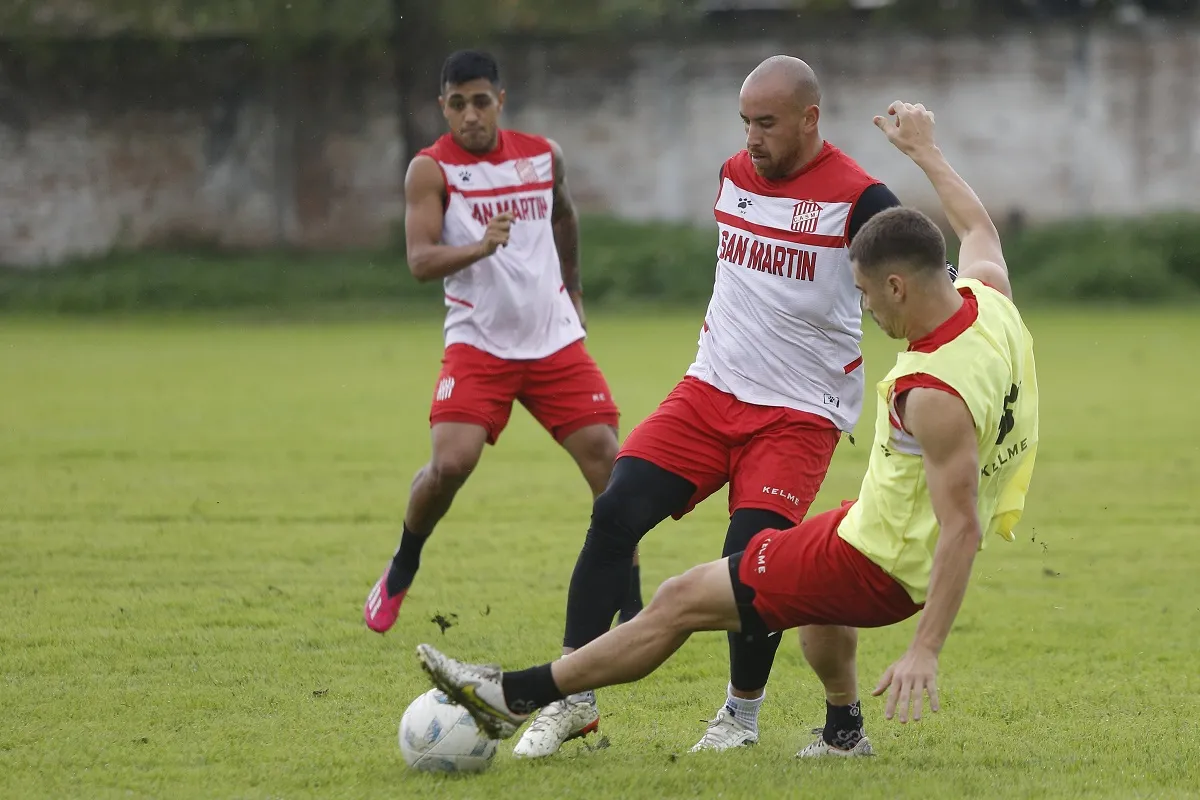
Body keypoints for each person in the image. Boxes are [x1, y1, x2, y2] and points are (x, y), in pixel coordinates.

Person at [415, 99, 1040, 759]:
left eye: (863, 295)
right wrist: (925, 151)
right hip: (872, 528)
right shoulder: (988, 301)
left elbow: (962, 528)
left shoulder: (932, 393)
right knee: (791, 586)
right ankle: (843, 733)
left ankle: (512, 695)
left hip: (881, 562)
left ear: (896, 286)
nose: (861, 309)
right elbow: (978, 228)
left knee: (682, 597)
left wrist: (924, 651)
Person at [503, 55, 943, 759]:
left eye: (766, 123)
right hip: (710, 391)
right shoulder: (735, 175)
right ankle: (572, 700)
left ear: (809, 119)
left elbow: (926, 278)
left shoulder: (861, 199)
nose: (752, 138)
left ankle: (740, 716)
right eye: (744, 122)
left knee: (750, 563)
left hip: (799, 414)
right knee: (615, 510)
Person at [364, 50, 642, 635]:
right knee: (449, 465)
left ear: (500, 102)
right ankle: (401, 568)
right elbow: (418, 261)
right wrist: (479, 248)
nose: (470, 115)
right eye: (457, 103)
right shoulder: (430, 170)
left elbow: (564, 217)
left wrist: (574, 291)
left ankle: (633, 607)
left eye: (480, 101)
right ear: (443, 107)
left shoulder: (542, 156)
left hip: (552, 342)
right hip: (479, 343)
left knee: (610, 465)